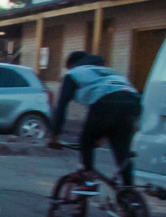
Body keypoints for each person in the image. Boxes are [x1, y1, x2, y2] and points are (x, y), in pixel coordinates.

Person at [48, 51, 142, 186]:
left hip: (105, 102)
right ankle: (129, 194)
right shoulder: (110, 72)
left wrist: (55, 135)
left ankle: (87, 177)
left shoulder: (74, 74)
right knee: (122, 151)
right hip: (132, 102)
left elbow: (61, 106)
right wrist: (103, 136)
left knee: (86, 140)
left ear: (72, 65)